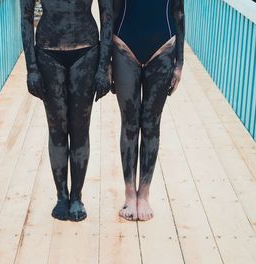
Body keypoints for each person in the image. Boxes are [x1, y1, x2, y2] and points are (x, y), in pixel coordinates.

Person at [21, 0, 112, 221]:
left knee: (80, 129)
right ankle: (62, 196)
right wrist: (31, 67)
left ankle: (77, 196)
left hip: (86, 51)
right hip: (47, 52)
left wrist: (103, 67)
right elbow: (25, 18)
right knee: (57, 129)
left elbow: (107, 17)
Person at [112, 0, 185, 221]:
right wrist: (106, 60)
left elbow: (178, 12)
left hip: (163, 47)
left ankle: (144, 194)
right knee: (130, 124)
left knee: (151, 124)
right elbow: (110, 12)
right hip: (124, 45)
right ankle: (128, 193)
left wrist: (179, 62)